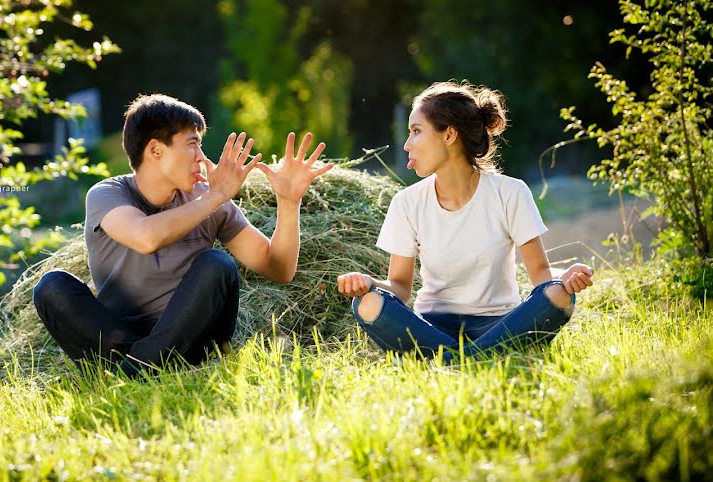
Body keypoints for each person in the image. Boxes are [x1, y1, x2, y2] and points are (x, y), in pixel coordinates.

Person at [33, 94, 334, 375]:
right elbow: (145, 237)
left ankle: (139, 369)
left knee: (218, 264)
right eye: (192, 144)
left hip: (190, 344)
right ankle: (142, 365)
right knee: (52, 285)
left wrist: (288, 201)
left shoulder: (208, 200)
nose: (201, 157)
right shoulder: (108, 194)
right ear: (155, 150)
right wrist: (215, 196)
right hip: (119, 341)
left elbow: (278, 269)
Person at [337, 81, 594, 361]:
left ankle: (451, 360)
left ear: (448, 135)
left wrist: (565, 276)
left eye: (416, 131)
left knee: (559, 296)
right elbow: (399, 288)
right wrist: (367, 282)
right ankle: (478, 359)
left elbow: (541, 275)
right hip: (432, 327)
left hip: (499, 324)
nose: (408, 144)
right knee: (368, 303)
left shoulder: (510, 193)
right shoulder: (407, 203)